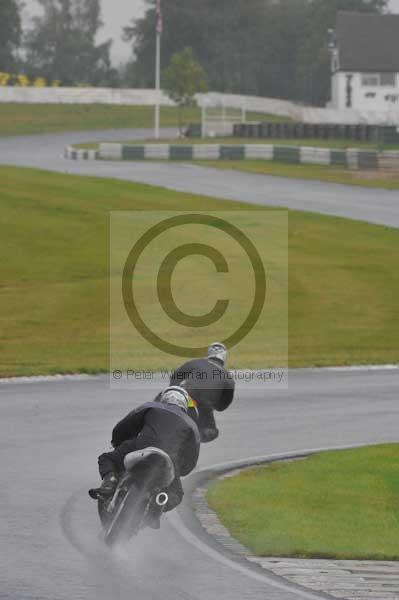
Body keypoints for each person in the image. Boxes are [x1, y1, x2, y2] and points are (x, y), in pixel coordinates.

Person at [88, 386, 200, 528]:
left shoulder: (151, 406)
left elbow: (124, 426)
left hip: (142, 446)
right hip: (169, 460)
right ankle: (155, 508)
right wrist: (180, 470)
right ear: (184, 404)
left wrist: (117, 442)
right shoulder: (192, 425)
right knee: (176, 493)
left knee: (107, 458)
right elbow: (192, 457)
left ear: (164, 398)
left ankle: (110, 481)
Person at [169, 342, 235, 443]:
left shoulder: (197, 362)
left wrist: (175, 390)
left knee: (162, 401)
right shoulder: (228, 378)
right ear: (224, 357)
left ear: (209, 354)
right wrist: (213, 403)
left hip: (185, 397)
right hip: (204, 406)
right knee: (211, 431)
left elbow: (175, 376)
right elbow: (222, 406)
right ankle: (193, 440)